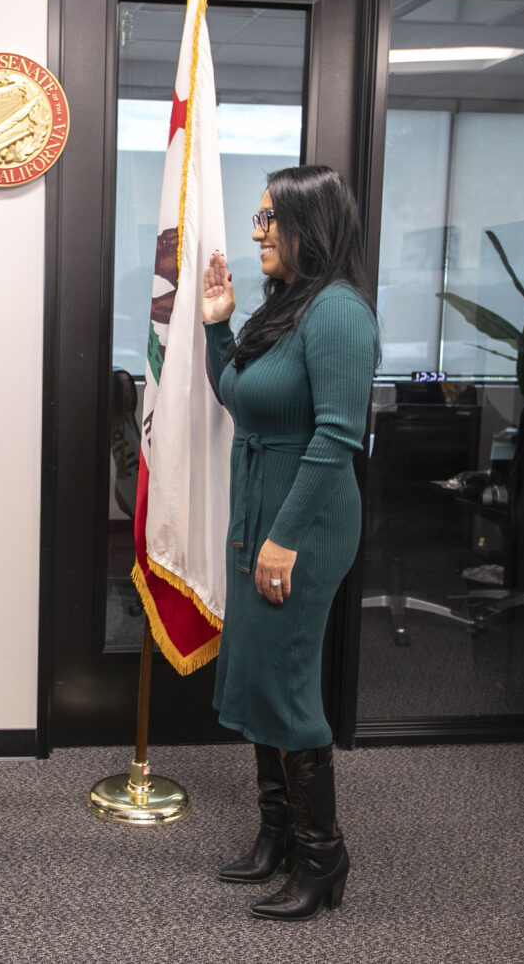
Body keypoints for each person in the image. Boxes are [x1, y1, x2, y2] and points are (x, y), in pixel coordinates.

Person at [200, 166, 380, 920]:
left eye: (270, 218)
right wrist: (217, 323)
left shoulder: (338, 314)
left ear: (312, 225)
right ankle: (276, 835)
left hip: (301, 524)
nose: (256, 232)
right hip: (262, 512)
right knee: (259, 676)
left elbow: (337, 436)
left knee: (287, 687)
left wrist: (284, 541)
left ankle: (322, 859)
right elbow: (240, 397)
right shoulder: (286, 308)